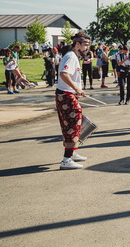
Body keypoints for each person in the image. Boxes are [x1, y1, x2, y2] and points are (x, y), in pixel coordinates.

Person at [54, 32, 92, 169]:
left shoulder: (73, 56)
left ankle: (73, 152)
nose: (87, 48)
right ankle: (66, 160)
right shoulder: (71, 56)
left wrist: (76, 90)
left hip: (67, 95)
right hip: (66, 95)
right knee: (72, 126)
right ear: (77, 44)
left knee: (73, 124)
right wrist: (76, 88)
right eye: (85, 45)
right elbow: (64, 74)